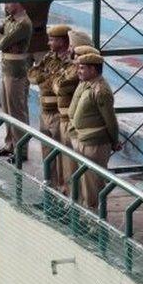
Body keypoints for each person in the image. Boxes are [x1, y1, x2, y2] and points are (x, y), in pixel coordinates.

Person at [69, 52, 120, 209]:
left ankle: (94, 221)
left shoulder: (101, 90)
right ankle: (86, 213)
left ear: (93, 70)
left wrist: (114, 140)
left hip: (95, 144)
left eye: (82, 68)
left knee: (93, 185)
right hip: (82, 140)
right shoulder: (85, 84)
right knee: (84, 183)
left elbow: (110, 121)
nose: (78, 71)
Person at [53, 31, 97, 195]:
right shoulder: (71, 66)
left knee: (72, 164)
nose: (69, 49)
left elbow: (59, 86)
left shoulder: (77, 71)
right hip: (66, 117)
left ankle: (74, 197)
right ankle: (69, 193)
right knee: (65, 161)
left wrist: (56, 82)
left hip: (75, 122)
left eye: (72, 46)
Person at [29, 24, 71, 187]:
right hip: (44, 111)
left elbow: (59, 86)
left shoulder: (69, 62)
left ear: (62, 41)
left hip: (58, 114)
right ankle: (50, 187)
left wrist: (46, 78)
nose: (49, 43)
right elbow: (32, 75)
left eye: (52, 40)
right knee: (47, 153)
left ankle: (62, 189)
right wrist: (46, 77)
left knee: (61, 156)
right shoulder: (49, 57)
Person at [0, 0, 32, 159]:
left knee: (17, 110)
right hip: (6, 67)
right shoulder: (11, 20)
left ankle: (21, 149)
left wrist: (1, 40)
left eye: (8, 2)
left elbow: (0, 44)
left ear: (16, 3)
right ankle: (10, 143)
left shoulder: (23, 23)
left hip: (17, 71)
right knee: (7, 108)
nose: (6, 6)